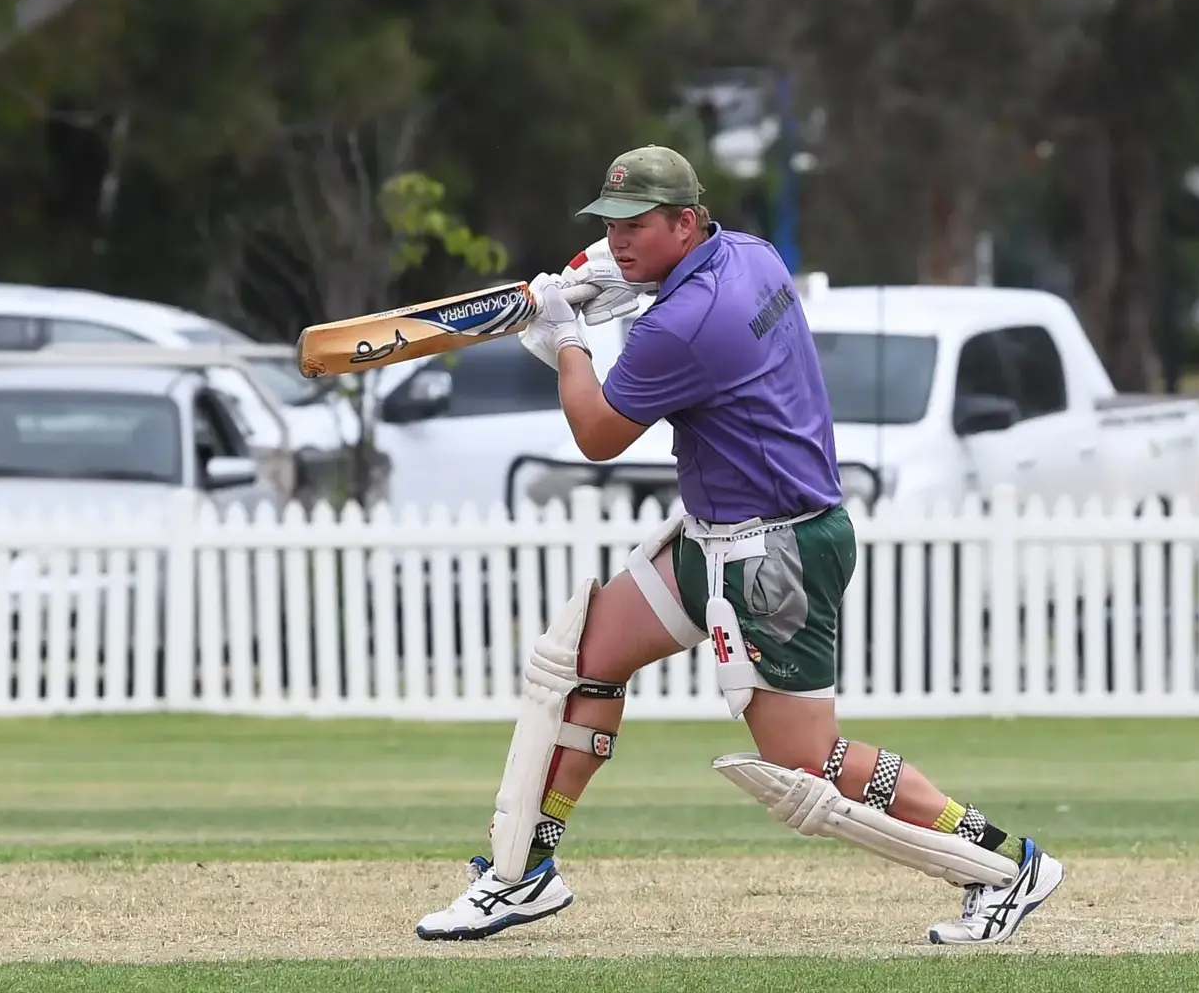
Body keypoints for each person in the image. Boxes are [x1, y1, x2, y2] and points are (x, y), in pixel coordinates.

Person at [413, 145, 1065, 947]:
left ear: (686, 222)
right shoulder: (750, 255)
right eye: (609, 226)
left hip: (774, 559)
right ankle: (522, 873)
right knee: (582, 656)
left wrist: (566, 335)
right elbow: (646, 276)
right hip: (719, 536)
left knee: (806, 765)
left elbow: (596, 434)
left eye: (637, 227)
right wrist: (603, 277)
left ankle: (1003, 861)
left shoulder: (683, 326)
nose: (619, 242)